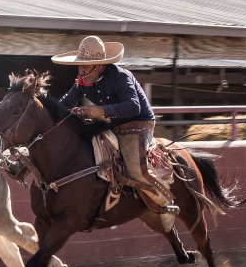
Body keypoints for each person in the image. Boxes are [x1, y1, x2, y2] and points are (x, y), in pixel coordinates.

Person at [52, 35, 179, 232]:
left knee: (135, 167)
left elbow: (134, 106)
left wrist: (99, 111)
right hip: (113, 125)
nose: (81, 70)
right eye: (80, 65)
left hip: (139, 123)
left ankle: (165, 200)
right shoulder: (82, 82)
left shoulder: (121, 77)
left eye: (86, 66)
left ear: (100, 65)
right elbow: (64, 104)